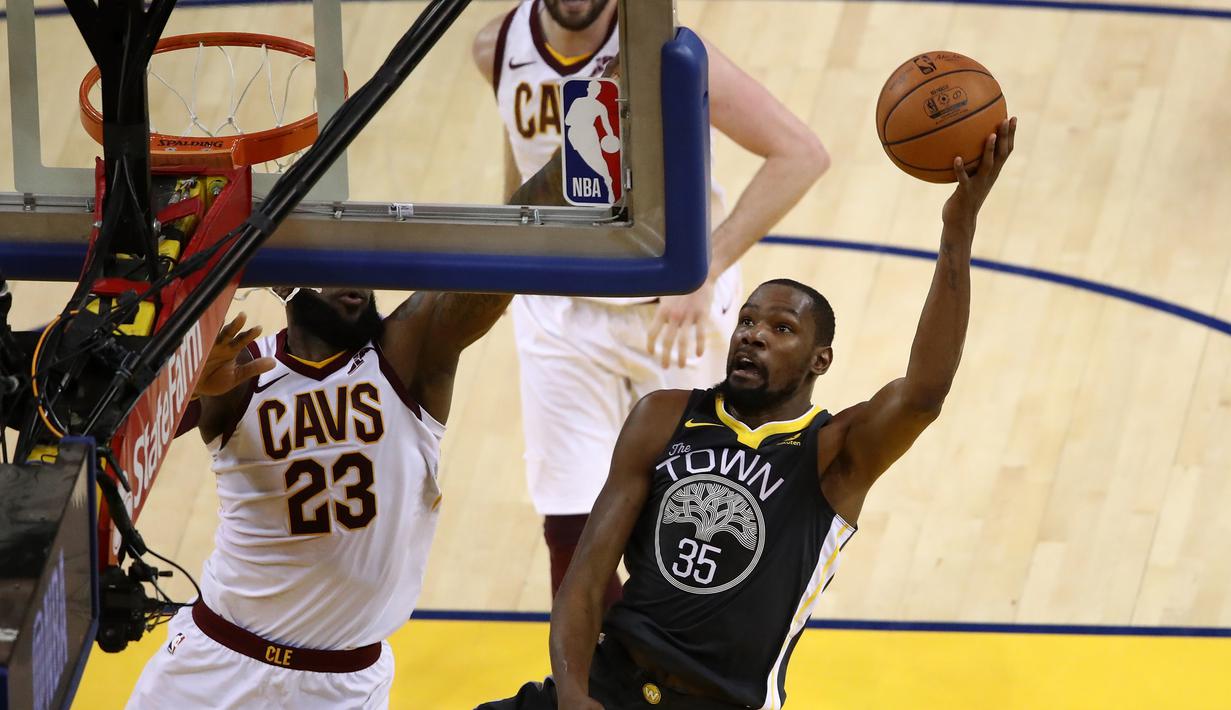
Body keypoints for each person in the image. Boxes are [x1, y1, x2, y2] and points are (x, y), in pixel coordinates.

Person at [480, 118, 1017, 710]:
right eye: (747, 321)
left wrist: (958, 227)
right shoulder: (662, 416)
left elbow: (924, 393)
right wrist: (572, 694)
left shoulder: (834, 454)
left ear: (820, 360)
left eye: (781, 328)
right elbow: (585, 578)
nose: (754, 334)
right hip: (611, 683)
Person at [126, 160, 567, 710]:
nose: (353, 277)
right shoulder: (239, 369)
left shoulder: (406, 355)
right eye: (333, 262)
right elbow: (120, 430)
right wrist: (183, 383)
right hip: (215, 664)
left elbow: (496, 253)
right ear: (284, 279)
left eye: (358, 257)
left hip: (342, 686)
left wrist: (571, 159)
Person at [472, 0, 831, 604]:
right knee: (570, 525)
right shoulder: (497, 47)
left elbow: (800, 155)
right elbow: (527, 160)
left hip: (674, 313)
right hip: (559, 310)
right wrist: (514, 251)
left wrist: (704, 269)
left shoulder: (671, 49)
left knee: (693, 524)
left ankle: (685, 656)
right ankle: (591, 666)